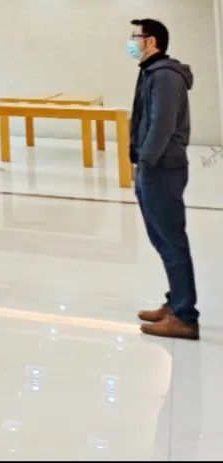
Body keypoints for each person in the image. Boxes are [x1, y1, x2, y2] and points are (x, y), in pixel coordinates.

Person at [127, 19, 199, 340]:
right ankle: (175, 303)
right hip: (153, 166)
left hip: (162, 168)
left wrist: (146, 160)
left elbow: (162, 124)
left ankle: (184, 315)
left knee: (171, 241)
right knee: (162, 240)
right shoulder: (152, 72)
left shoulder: (165, 76)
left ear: (151, 41)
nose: (131, 42)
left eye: (135, 36)